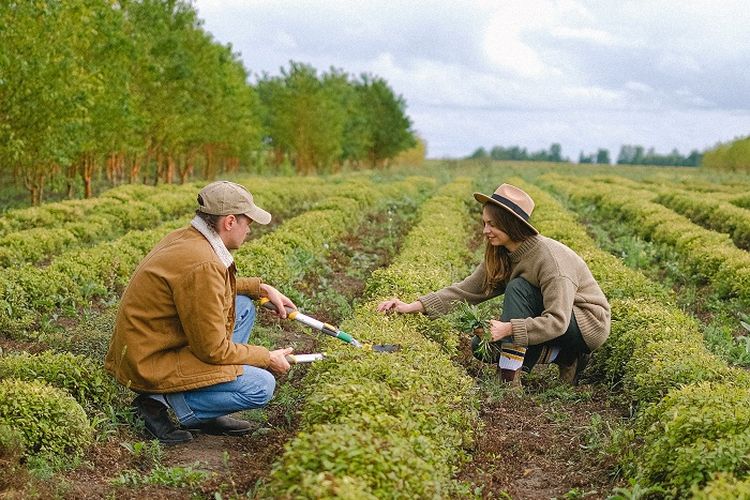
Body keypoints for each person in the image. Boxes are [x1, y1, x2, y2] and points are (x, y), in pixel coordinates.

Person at [105, 180, 297, 444]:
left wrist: (260, 288)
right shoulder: (203, 263)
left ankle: (204, 404)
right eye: (248, 222)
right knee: (261, 385)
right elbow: (213, 350)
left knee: (241, 306)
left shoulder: (188, 239)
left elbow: (205, 287)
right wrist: (265, 357)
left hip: (151, 346)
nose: (249, 230)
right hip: (150, 362)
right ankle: (157, 405)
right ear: (229, 222)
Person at [377, 183, 610, 386]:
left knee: (518, 288)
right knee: (482, 345)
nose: (485, 231)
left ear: (511, 225)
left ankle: (509, 378)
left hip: (584, 323)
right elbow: (467, 290)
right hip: (551, 319)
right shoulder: (502, 254)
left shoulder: (550, 261)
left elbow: (558, 321)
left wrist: (508, 329)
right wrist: (411, 306)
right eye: (484, 223)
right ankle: (565, 357)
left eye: (492, 225)